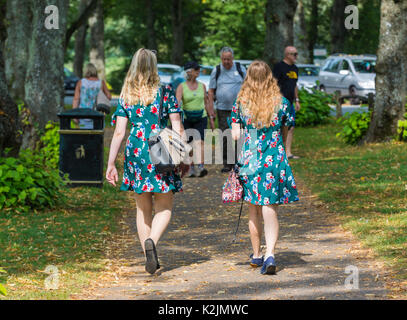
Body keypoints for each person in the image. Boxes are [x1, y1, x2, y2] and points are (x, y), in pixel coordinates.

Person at [106, 48, 188, 275]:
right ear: (154, 65)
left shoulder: (126, 94)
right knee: (164, 207)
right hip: (160, 147)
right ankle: (152, 241)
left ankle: (148, 256)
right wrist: (183, 155)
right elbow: (177, 126)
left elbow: (119, 133)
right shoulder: (166, 91)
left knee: (142, 209)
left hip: (136, 149)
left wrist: (111, 163)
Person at [231, 60, 299, 275]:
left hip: (251, 159)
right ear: (270, 77)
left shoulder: (241, 103)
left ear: (248, 78)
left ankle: (257, 254)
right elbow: (287, 128)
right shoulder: (282, 103)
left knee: (254, 209)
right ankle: (270, 253)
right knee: (270, 208)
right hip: (275, 158)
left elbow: (235, 136)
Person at [208, 47, 246, 173]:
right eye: (224, 59)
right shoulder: (217, 70)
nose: (226, 61)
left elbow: (248, 86)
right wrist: (210, 109)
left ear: (232, 58)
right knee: (225, 135)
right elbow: (211, 90)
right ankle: (227, 163)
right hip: (222, 109)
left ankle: (240, 162)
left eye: (228, 59)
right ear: (221, 59)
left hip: (239, 109)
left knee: (240, 135)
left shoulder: (240, 68)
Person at [176, 61, 214, 178]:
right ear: (189, 72)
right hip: (187, 118)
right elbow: (176, 104)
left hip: (201, 117)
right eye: (196, 69)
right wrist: (176, 121)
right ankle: (191, 167)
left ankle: (201, 167)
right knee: (189, 143)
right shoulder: (181, 87)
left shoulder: (202, 85)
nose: (199, 71)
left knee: (200, 142)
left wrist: (211, 117)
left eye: (198, 69)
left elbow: (206, 102)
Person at [272, 46, 301, 159]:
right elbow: (274, 83)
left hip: (290, 102)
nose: (296, 57)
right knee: (280, 126)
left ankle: (288, 152)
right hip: (280, 102)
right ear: (287, 55)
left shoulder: (295, 68)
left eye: (296, 54)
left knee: (290, 126)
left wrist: (297, 100)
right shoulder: (279, 67)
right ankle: (277, 150)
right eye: (294, 54)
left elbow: (294, 85)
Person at [72, 63, 112, 129]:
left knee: (84, 135)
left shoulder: (80, 82)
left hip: (83, 114)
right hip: (98, 114)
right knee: (98, 135)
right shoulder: (101, 82)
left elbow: (76, 99)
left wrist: (74, 115)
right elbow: (109, 96)